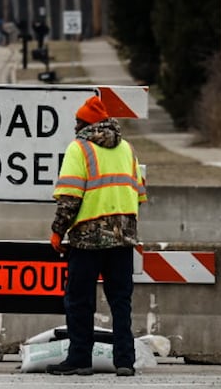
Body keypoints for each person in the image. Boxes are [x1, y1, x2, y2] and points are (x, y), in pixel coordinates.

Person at [46, 95, 147, 377]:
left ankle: (79, 359)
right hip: (123, 237)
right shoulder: (127, 148)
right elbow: (138, 193)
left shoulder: (79, 148)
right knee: (120, 300)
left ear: (84, 123)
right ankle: (125, 361)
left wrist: (57, 231)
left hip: (88, 237)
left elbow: (69, 197)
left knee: (79, 300)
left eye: (77, 122)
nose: (75, 126)